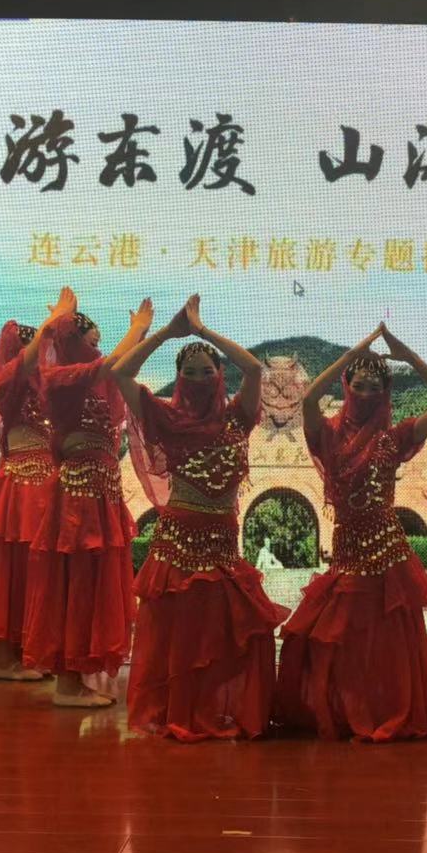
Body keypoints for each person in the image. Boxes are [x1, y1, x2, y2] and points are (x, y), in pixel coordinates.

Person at [112, 295, 288, 741]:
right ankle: (181, 712)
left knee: (233, 632)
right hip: (179, 540)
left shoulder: (237, 419)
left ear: (219, 375)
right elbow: (120, 374)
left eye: (206, 371)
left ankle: (218, 710)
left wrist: (203, 331)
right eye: (188, 373)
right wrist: (168, 333)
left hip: (222, 544)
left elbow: (254, 370)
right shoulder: (165, 417)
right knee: (182, 634)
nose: (197, 379)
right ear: (177, 379)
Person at [274, 324, 427, 742]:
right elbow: (309, 400)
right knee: (341, 635)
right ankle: (347, 711)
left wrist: (408, 356)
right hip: (347, 549)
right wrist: (350, 354)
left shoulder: (394, 438)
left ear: (386, 393)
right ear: (347, 387)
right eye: (358, 385)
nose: (366, 393)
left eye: (376, 387)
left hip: (388, 550)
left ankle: (385, 710)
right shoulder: (327, 435)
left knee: (387, 637)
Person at [22, 287, 151, 707]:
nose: (97, 350)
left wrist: (144, 336)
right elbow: (110, 366)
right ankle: (68, 683)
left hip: (99, 490)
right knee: (77, 582)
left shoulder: (91, 386)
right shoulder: (59, 379)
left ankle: (74, 680)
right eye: (91, 343)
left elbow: (119, 369)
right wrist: (137, 329)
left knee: (90, 582)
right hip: (80, 494)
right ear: (72, 343)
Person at [0, 312, 59, 681]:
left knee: (38, 573)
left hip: (45, 483)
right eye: (32, 350)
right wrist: (50, 324)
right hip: (21, 486)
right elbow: (22, 367)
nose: (40, 357)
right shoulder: (7, 383)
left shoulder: (42, 387)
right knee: (13, 570)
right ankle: (6, 660)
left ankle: (29, 653)